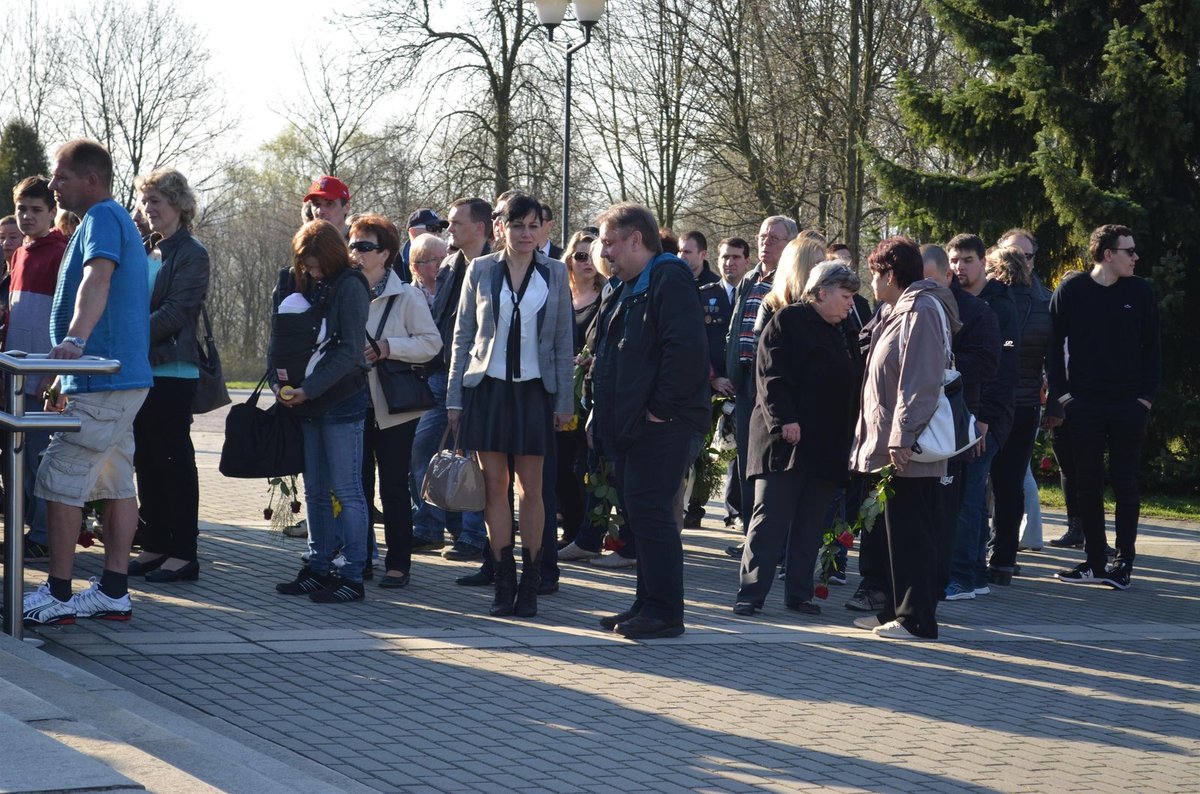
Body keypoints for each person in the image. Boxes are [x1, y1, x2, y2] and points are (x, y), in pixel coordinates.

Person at [22, 139, 153, 627]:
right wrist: (65, 370)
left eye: (60, 176)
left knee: (58, 478)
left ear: (90, 180)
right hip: (109, 379)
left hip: (104, 378)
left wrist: (74, 343)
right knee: (115, 482)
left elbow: (96, 279)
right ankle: (113, 591)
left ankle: (57, 594)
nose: (53, 185)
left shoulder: (102, 218)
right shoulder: (106, 218)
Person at [446, 194, 574, 618]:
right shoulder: (480, 270)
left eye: (533, 226)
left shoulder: (556, 272)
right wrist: (454, 398)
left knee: (532, 490)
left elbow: (561, 342)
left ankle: (532, 584)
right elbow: (463, 337)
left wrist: (564, 402)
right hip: (488, 389)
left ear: (544, 230)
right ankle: (503, 580)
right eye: (517, 225)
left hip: (535, 391)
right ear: (500, 227)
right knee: (494, 488)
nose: (525, 234)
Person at [591, 202, 709, 639]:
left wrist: (659, 410)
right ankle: (646, 603)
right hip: (634, 423)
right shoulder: (627, 285)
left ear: (635, 239)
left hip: (663, 423)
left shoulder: (668, 276)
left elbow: (685, 350)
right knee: (640, 515)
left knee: (653, 514)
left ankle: (664, 613)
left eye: (609, 243)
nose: (604, 253)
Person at [735, 263, 862, 616]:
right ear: (822, 292)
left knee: (810, 522)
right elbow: (770, 375)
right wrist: (784, 420)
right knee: (770, 519)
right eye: (846, 296)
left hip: (827, 443)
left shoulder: (845, 328)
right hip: (785, 442)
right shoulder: (788, 321)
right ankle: (750, 595)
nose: (851, 303)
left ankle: (799, 594)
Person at [849, 237, 959, 640]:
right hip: (894, 443)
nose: (869, 283)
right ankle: (896, 611)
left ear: (890, 274)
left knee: (912, 533)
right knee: (895, 532)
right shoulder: (896, 311)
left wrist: (902, 435)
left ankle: (916, 619)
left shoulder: (922, 309)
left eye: (874, 274)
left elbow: (921, 381)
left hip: (910, 447)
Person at [1049, 224, 1160, 590]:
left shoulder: (1141, 291)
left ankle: (1123, 563)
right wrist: (1064, 396)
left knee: (1126, 483)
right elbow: (1053, 346)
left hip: (1129, 405)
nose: (1136, 257)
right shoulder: (1073, 289)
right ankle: (1095, 560)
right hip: (1084, 404)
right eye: (1129, 251)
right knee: (1087, 484)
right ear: (1108, 254)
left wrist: (1144, 398)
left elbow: (1154, 349)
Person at [272, 220, 371, 603]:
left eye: (314, 265)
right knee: (315, 490)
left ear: (330, 257)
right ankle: (317, 566)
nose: (310, 272)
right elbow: (282, 335)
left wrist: (308, 389)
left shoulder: (351, 285)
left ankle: (353, 573)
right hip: (308, 401)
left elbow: (349, 350)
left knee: (346, 490)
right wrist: (282, 383)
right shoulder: (306, 282)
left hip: (342, 400)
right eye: (305, 266)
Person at [126, 168, 210, 583]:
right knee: (147, 461)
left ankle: (184, 553)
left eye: (156, 200)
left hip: (174, 370)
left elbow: (178, 312)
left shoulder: (192, 252)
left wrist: (129, 337)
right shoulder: (147, 248)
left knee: (174, 461)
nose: (148, 208)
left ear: (178, 203)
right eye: (145, 201)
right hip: (142, 368)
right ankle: (155, 544)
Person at [352, 213, 442, 589]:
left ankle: (398, 563)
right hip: (351, 403)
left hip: (393, 407)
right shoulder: (344, 290)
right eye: (353, 245)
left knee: (392, 486)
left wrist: (389, 348)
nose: (355, 253)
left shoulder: (407, 295)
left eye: (365, 247)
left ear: (386, 253)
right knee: (356, 487)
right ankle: (361, 558)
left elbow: (431, 343)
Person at [412, 198, 491, 561]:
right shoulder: (448, 265)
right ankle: (430, 525)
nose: (449, 229)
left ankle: (474, 537)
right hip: (440, 375)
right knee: (422, 449)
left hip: (480, 377)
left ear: (480, 227)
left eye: (457, 223)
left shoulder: (496, 268)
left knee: (473, 459)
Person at [945, 232, 1019, 601]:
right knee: (964, 494)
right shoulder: (949, 301)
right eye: (954, 261)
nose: (960, 268)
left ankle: (964, 575)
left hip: (988, 416)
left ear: (983, 261)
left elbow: (1004, 367)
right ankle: (972, 574)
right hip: (957, 414)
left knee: (970, 494)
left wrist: (986, 417)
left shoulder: (1001, 306)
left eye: (967, 260)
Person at [721, 216, 798, 556]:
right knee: (747, 463)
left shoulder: (793, 280)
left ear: (791, 244)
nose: (766, 242)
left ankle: (775, 542)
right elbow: (735, 328)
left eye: (775, 238)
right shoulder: (750, 279)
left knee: (771, 464)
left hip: (772, 384)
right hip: (743, 384)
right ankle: (753, 537)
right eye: (763, 235)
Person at [1, 177, 67, 563]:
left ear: (51, 212)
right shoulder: (20, 253)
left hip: (42, 375)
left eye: (35, 210)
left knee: (43, 458)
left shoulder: (59, 252)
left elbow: (63, 319)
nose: (26, 217)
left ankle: (44, 535)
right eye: (22, 209)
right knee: (20, 460)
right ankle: (28, 529)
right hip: (15, 374)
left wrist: (53, 374)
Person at [984, 243, 1051, 583]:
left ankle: (977, 552)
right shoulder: (1043, 305)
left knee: (981, 481)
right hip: (1027, 407)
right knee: (1012, 484)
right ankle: (1004, 559)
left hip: (996, 405)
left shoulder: (994, 305)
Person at [555, 230, 599, 548]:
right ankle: (570, 530)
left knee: (586, 468)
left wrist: (587, 357)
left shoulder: (607, 296)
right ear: (569, 260)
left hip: (590, 393)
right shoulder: (559, 296)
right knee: (559, 466)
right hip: (560, 391)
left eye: (592, 255)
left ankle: (588, 534)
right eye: (581, 255)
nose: (587, 262)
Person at [399, 209, 448, 283]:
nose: (437, 233)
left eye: (440, 229)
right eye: (432, 228)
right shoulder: (397, 265)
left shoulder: (450, 258)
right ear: (413, 232)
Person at [408, 232, 447, 310]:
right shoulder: (408, 298)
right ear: (416, 267)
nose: (440, 264)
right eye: (434, 259)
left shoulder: (454, 290)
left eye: (443, 258)